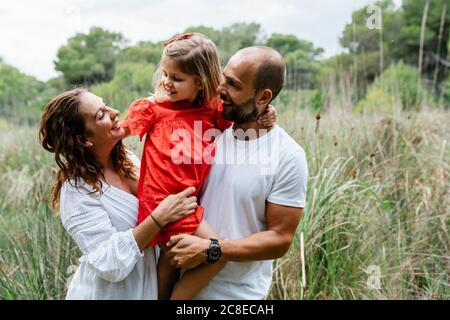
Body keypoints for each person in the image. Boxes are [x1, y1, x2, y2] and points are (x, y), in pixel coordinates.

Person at [118, 33, 276, 299]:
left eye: (177, 78)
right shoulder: (153, 109)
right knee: (218, 252)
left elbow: (243, 120)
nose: (167, 82)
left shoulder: (212, 113)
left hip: (185, 201)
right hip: (165, 202)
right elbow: (116, 134)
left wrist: (267, 113)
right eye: (165, 74)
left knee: (171, 257)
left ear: (200, 83)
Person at [166, 46, 308, 300]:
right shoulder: (208, 127)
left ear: (263, 97)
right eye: (224, 78)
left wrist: (212, 250)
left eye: (233, 84)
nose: (221, 89)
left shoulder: (287, 156)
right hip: (176, 284)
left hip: (236, 296)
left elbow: (280, 239)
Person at [39, 88, 198, 299]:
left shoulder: (129, 160)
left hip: (153, 284)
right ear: (83, 139)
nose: (113, 112)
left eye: (105, 105)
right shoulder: (76, 192)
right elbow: (108, 263)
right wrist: (159, 218)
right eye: (100, 115)